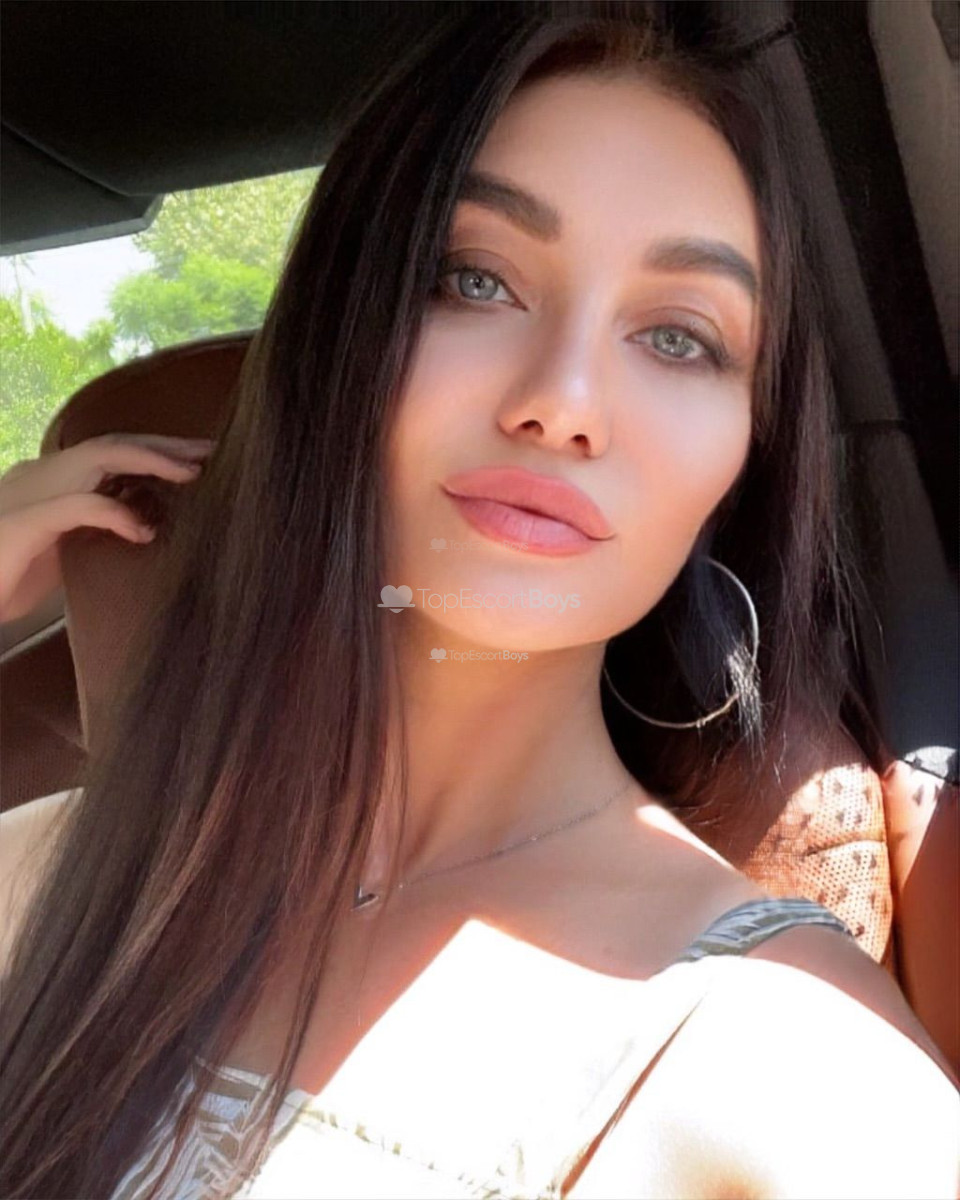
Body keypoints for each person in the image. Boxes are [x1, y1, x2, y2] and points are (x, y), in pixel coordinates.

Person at [1, 4, 957, 1197]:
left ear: (741, 457)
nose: (563, 402)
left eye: (679, 338)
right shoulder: (48, 869)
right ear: (332, 344)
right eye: (474, 279)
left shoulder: (796, 1077)